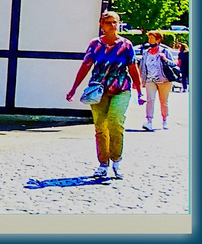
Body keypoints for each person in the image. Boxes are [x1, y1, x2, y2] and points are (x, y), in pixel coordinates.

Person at [66, 11, 144, 179]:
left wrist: (140, 91)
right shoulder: (95, 45)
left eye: (115, 22)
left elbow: (133, 69)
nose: (112, 25)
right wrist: (74, 88)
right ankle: (103, 164)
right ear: (101, 25)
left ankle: (116, 160)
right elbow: (85, 65)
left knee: (115, 122)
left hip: (120, 89)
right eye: (108, 22)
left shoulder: (126, 45)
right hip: (98, 90)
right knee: (101, 127)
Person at [137, 30, 177, 129]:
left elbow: (174, 64)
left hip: (164, 80)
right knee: (150, 100)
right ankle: (149, 121)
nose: (150, 40)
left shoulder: (164, 51)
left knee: (163, 101)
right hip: (150, 80)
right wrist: (141, 80)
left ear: (158, 39)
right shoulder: (146, 52)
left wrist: (165, 59)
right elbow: (142, 66)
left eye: (152, 38)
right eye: (149, 38)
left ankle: (164, 120)